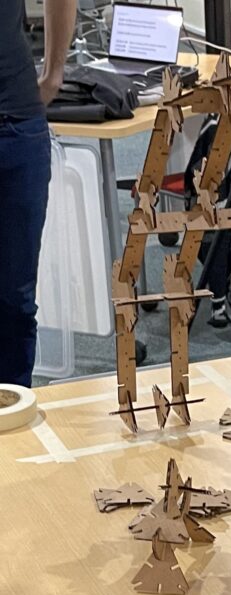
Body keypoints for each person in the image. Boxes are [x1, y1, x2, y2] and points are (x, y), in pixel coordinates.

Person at [0, 0, 75, 386]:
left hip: (16, 125)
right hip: (19, 129)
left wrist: (54, 73)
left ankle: (13, 430)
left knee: (15, 302)